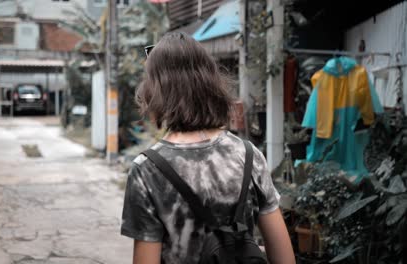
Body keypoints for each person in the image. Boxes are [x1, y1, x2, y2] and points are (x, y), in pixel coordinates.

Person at [121, 32, 295, 264]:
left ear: (156, 90)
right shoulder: (249, 155)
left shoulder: (146, 170)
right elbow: (284, 257)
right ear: (210, 84)